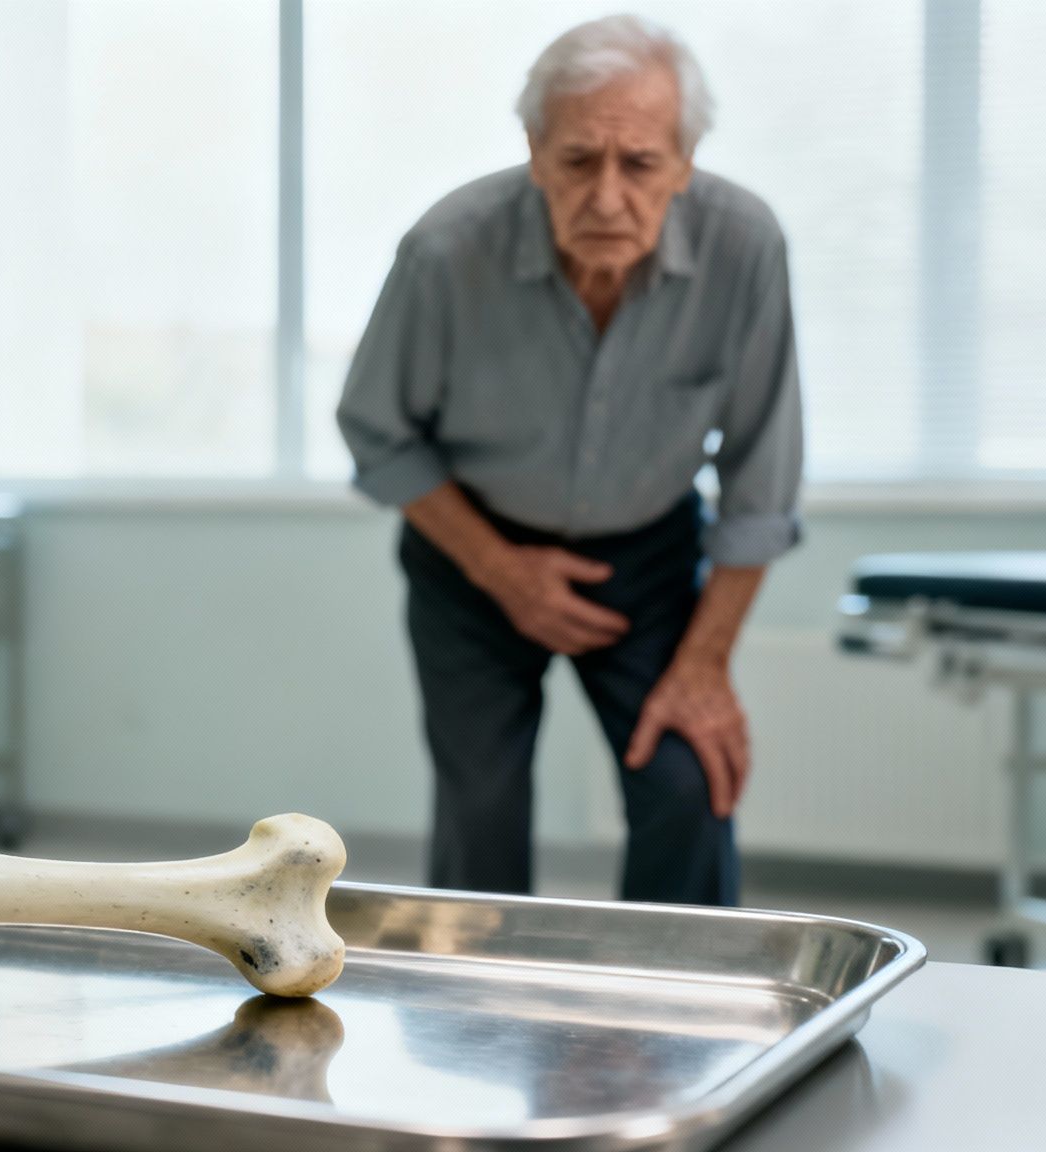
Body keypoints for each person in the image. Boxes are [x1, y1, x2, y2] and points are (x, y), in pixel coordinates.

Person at [336, 14, 803, 906]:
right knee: (483, 805)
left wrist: (706, 665)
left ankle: (683, 1021)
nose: (607, 197)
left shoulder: (745, 248)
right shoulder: (446, 249)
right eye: (580, 161)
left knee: (687, 782)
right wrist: (499, 568)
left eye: (640, 165)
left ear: (687, 158)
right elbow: (376, 430)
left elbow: (761, 481)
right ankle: (474, 1024)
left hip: (652, 553)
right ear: (535, 148)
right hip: (470, 551)